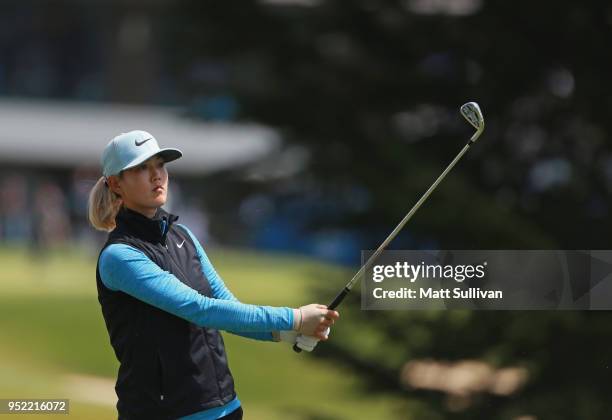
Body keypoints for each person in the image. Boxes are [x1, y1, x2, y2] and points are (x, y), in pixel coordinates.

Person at [87, 130, 339, 420]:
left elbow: (228, 307)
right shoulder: (120, 256)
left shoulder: (184, 236)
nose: (156, 175)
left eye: (159, 165)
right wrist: (295, 318)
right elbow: (200, 309)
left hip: (224, 408)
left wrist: (289, 333)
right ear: (116, 183)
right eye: (141, 168)